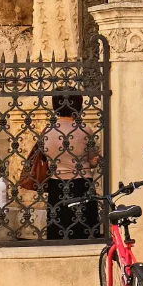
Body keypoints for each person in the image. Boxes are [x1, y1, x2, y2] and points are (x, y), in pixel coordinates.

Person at [40, 90, 100, 240]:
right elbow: (93, 160)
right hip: (81, 184)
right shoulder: (85, 130)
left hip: (56, 184)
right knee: (84, 228)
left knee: (58, 228)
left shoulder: (46, 131)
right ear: (78, 105)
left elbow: (44, 157)